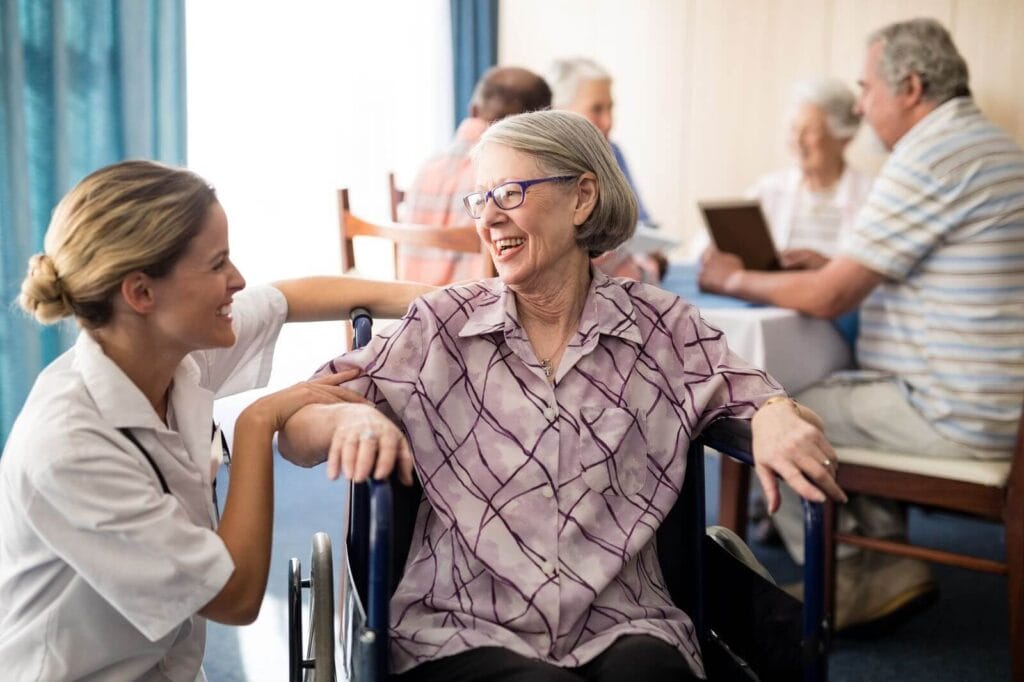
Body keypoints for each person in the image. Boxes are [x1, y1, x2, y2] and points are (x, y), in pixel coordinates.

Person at [280, 110, 846, 681]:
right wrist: (347, 423)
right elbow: (297, 425)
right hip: (462, 624)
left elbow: (752, 392)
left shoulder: (661, 326)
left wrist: (775, 411)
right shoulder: (441, 327)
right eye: (480, 200)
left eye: (509, 192)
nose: (489, 217)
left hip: (625, 619)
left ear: (582, 199)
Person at [0, 160, 433, 680]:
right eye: (217, 264)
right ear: (140, 293)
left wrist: (450, 301)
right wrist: (258, 424)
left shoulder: (169, 353)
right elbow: (235, 597)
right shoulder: (70, 446)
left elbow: (289, 298)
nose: (238, 279)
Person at [699, 18, 1024, 631]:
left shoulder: (930, 154)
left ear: (911, 86)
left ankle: (847, 572)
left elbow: (827, 298)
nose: (858, 103)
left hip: (952, 415)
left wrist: (732, 280)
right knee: (840, 392)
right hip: (994, 402)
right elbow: (904, 269)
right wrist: (836, 265)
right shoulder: (993, 148)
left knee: (776, 413)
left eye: (866, 87)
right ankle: (881, 565)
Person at [397, 66, 552, 285]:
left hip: (411, 305)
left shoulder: (427, 167)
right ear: (540, 123)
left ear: (474, 110)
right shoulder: (512, 175)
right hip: (476, 309)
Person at [547, 57, 666, 284]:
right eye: (596, 109)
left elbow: (642, 223)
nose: (609, 121)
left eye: (610, 108)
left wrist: (652, 251)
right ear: (558, 110)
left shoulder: (612, 152)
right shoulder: (542, 167)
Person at [748, 77, 874, 270]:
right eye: (794, 129)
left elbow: (882, 280)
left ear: (844, 138)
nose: (797, 140)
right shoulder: (769, 189)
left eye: (810, 131)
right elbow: (704, 250)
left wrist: (827, 268)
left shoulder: (872, 196)